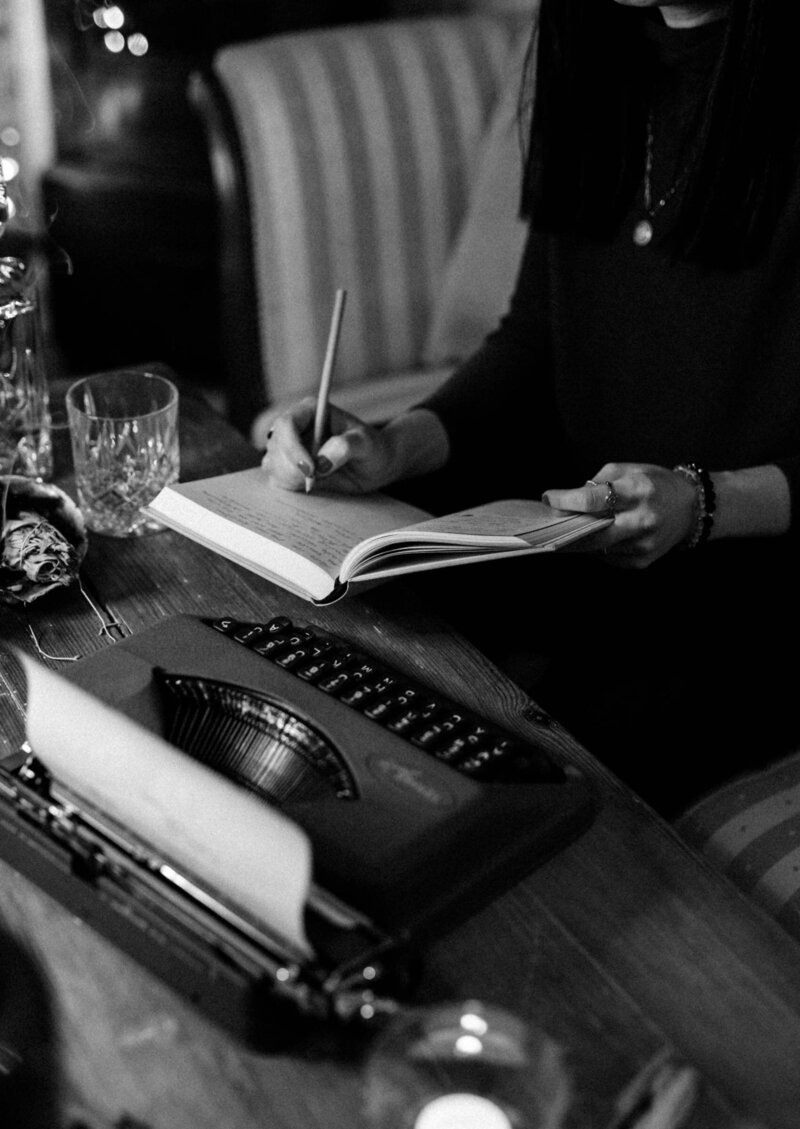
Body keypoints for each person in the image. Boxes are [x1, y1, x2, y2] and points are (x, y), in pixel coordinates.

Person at [262, 0, 800, 816]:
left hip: (750, 584)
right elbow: (536, 341)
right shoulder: (593, 47)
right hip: (582, 537)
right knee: (331, 629)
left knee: (526, 766)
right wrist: (394, 443)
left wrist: (703, 503)